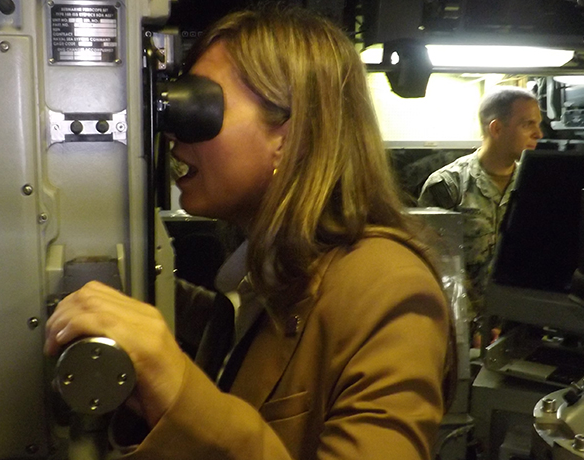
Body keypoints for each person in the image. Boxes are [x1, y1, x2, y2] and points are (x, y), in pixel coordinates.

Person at [45, 7, 454, 459]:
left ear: (288, 134)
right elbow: (252, 342)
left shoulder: (389, 289)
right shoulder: (271, 271)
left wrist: (177, 383)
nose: (176, 136)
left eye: (201, 105)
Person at [417, 87, 543, 319]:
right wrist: (471, 324)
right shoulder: (448, 185)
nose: (539, 134)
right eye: (528, 124)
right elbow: (433, 267)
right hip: (461, 326)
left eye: (538, 124)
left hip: (521, 323)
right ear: (496, 128)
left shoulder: (538, 186)